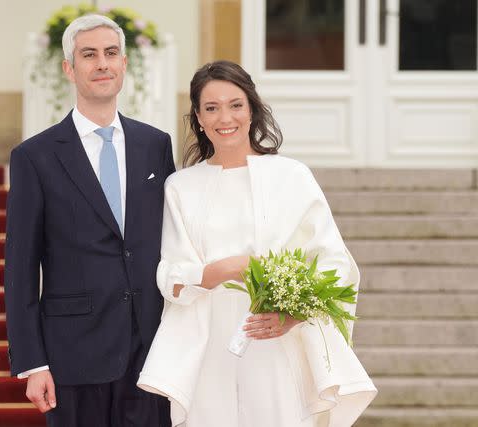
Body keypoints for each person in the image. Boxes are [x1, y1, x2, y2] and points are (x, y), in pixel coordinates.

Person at [137, 61, 377, 427]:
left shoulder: (292, 177)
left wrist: (292, 315)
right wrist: (229, 268)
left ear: (252, 108)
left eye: (235, 104)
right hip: (208, 347)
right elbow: (172, 275)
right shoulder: (181, 187)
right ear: (198, 118)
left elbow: (334, 262)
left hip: (276, 343)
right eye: (211, 108)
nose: (224, 117)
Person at [4, 14, 174, 427]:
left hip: (150, 354)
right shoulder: (34, 157)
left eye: (111, 53)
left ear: (124, 64)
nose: (102, 63)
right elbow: (20, 269)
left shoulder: (156, 146)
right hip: (72, 357)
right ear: (69, 68)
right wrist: (32, 362)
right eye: (89, 55)